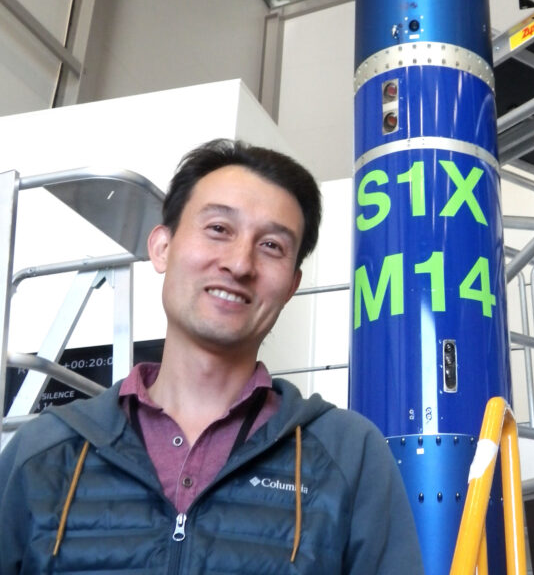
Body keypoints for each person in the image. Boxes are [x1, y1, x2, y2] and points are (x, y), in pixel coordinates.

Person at [0, 139, 424, 574]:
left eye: (272, 246)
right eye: (219, 229)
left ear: (292, 285)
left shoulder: (348, 454)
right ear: (162, 247)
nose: (240, 264)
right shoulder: (45, 451)